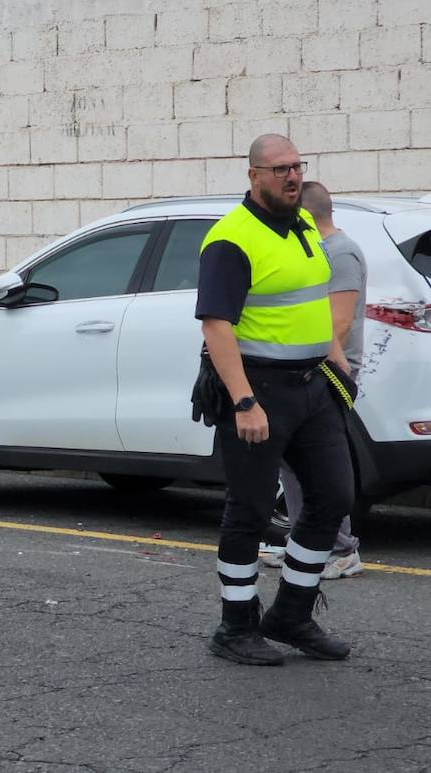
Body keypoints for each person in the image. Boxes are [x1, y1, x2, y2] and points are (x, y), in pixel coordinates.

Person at [195, 134, 355, 666]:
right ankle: (235, 626)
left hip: (312, 386)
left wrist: (336, 358)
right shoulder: (230, 239)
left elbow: (311, 300)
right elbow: (217, 325)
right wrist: (243, 402)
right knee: (251, 509)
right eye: (280, 169)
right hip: (257, 388)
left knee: (333, 496)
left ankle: (290, 615)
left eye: (297, 166)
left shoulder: (303, 222)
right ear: (254, 175)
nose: (292, 176)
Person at [268, 182, 368, 579]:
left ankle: (341, 550)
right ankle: (305, 544)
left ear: (303, 215)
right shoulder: (315, 250)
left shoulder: (340, 253)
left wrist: (313, 365)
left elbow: (338, 323)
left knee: (317, 465)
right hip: (307, 367)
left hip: (329, 369)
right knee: (292, 464)